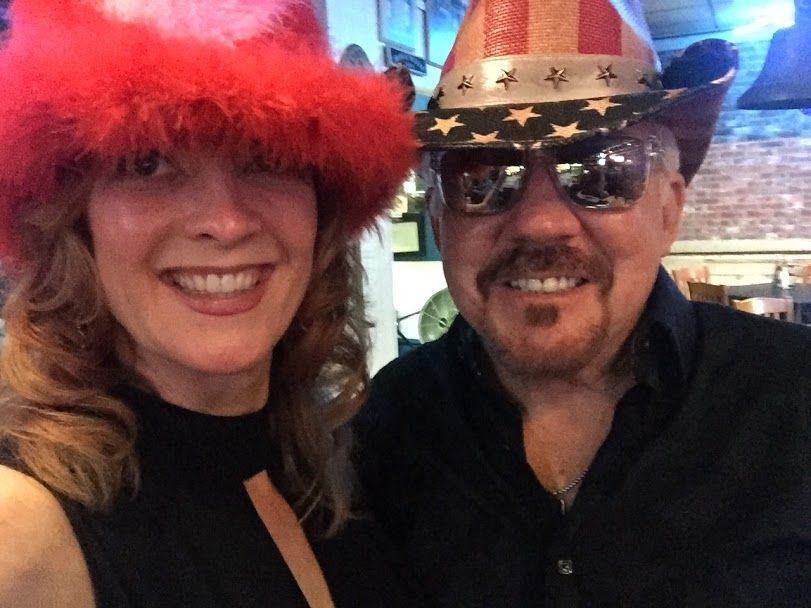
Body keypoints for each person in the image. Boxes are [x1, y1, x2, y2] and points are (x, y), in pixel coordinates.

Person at [355, 1, 811, 606]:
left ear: (669, 209)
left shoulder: (796, 398)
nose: (541, 223)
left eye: (602, 170)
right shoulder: (384, 427)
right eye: (484, 175)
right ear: (440, 217)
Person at [0, 1, 416, 606]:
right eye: (148, 163)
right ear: (72, 221)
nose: (225, 222)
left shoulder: (324, 474)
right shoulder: (22, 532)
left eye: (267, 159)